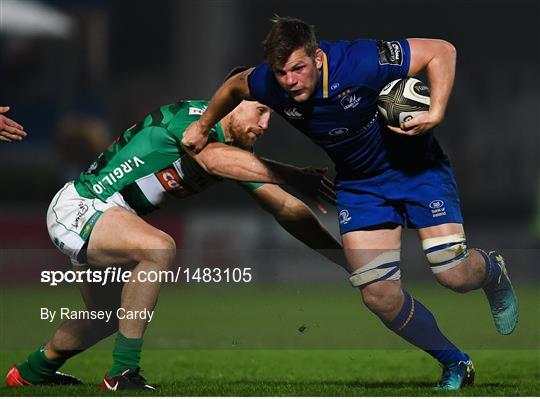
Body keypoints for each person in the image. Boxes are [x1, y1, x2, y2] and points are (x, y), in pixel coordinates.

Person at [181, 16, 519, 390]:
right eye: (281, 72)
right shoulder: (268, 82)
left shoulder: (360, 61)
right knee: (378, 294)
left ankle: (493, 272)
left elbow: (441, 51)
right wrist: (202, 125)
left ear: (318, 58)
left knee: (452, 273)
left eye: (298, 68)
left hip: (417, 170)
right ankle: (455, 362)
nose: (290, 80)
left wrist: (436, 111)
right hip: (361, 186)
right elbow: (233, 86)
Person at [6, 96, 343, 391]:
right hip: (83, 205)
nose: (266, 123)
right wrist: (295, 175)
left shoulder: (235, 151)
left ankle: (30, 374)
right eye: (261, 110)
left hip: (107, 216)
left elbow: (286, 207)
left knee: (108, 317)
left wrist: (343, 259)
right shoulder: (193, 121)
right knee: (158, 248)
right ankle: (123, 373)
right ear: (232, 102)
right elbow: (210, 160)